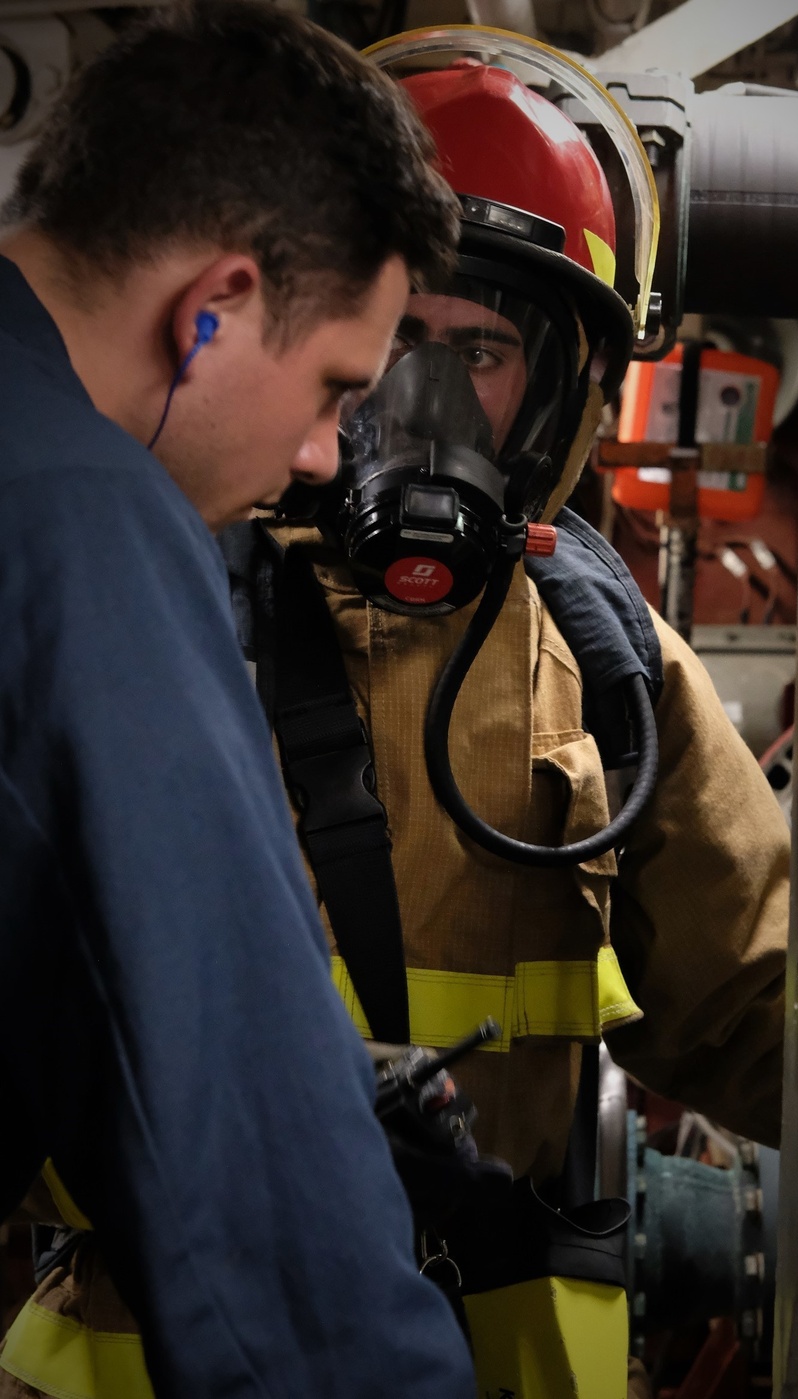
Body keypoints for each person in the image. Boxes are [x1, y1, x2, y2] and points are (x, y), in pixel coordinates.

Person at [2, 25, 790, 1399]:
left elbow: (774, 1019)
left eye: (479, 353)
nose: (388, 420)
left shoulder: (609, 670)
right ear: (235, 304)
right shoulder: (136, 571)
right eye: (376, 360)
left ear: (564, 391)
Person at [0, 4, 476, 1397]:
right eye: (334, 386)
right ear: (214, 307)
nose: (329, 457)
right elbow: (262, 1203)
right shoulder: (82, 522)